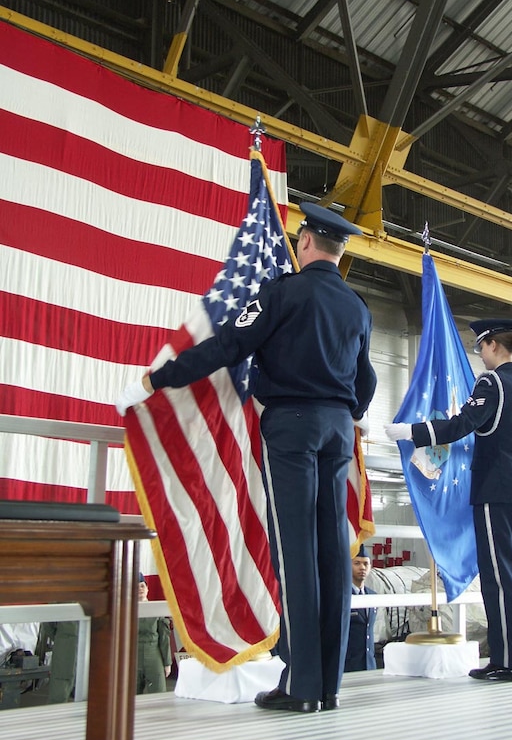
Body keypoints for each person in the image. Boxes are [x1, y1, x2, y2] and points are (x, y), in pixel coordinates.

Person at [116, 202, 377, 712]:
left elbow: (228, 345)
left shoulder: (283, 293)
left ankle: (301, 686)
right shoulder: (357, 307)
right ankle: (328, 685)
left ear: (305, 243)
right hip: (338, 431)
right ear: (338, 250)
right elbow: (365, 381)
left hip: (293, 430)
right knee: (331, 554)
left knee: (296, 552)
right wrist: (344, 412)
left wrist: (156, 379)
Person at [385, 319, 512, 683]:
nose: (480, 355)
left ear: (492, 345)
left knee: (499, 578)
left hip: (497, 490)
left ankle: (506, 662)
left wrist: (413, 432)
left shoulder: (492, 382)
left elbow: (461, 424)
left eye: (480, 347)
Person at [136, 573, 172, 694]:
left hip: (153, 654)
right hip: (132, 655)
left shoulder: (156, 609)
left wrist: (167, 663)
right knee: (128, 696)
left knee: (159, 692)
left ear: (147, 588)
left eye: (142, 586)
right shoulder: (125, 611)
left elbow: (164, 638)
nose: (140, 590)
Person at [344, 544, 377, 672]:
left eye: (366, 564)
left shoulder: (373, 596)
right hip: (347, 666)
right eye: (357, 563)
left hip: (369, 664)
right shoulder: (343, 596)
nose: (362, 567)